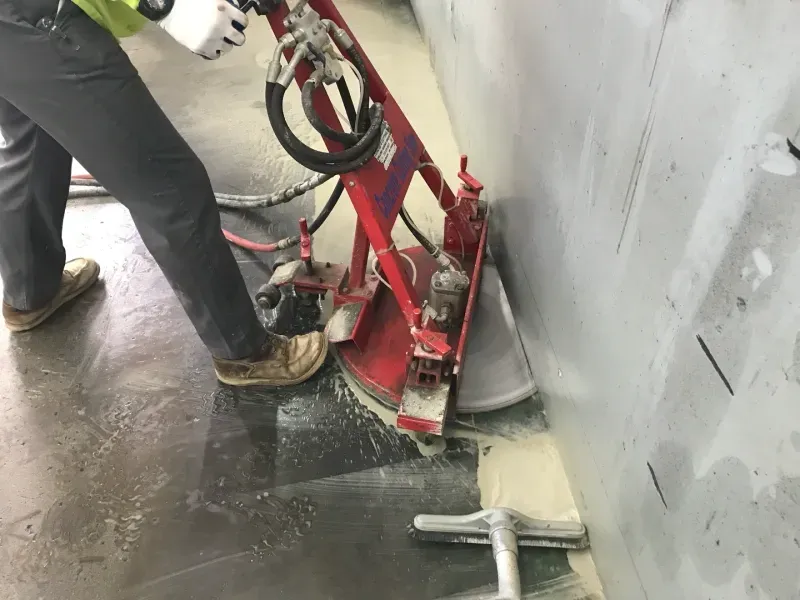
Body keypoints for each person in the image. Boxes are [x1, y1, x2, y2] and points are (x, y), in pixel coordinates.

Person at [0, 0, 328, 386]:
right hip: (40, 15)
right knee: (168, 183)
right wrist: (165, 6)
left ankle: (30, 292)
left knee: (34, 140)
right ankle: (243, 351)